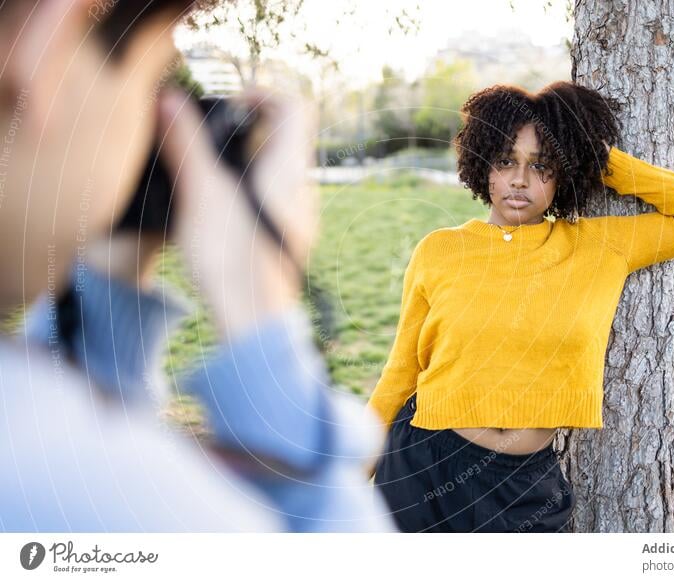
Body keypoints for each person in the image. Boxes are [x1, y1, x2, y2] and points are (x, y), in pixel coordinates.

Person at [0, 0, 392, 532]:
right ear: (46, 44)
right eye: (151, 83)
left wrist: (111, 279)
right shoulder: (81, 486)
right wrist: (258, 312)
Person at [367, 81, 674, 532]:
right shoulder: (440, 250)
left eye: (540, 165)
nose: (520, 179)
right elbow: (401, 369)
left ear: (563, 173)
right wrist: (348, 475)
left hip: (525, 482)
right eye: (506, 161)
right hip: (423, 463)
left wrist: (599, 158)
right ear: (483, 165)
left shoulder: (597, 245)